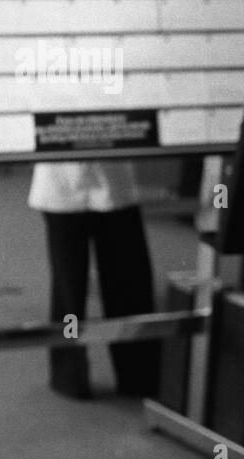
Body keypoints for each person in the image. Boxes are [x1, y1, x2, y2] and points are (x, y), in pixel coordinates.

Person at [29, 160, 161, 399]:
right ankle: (69, 375)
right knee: (69, 294)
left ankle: (139, 375)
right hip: (61, 186)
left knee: (130, 286)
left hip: (116, 183)